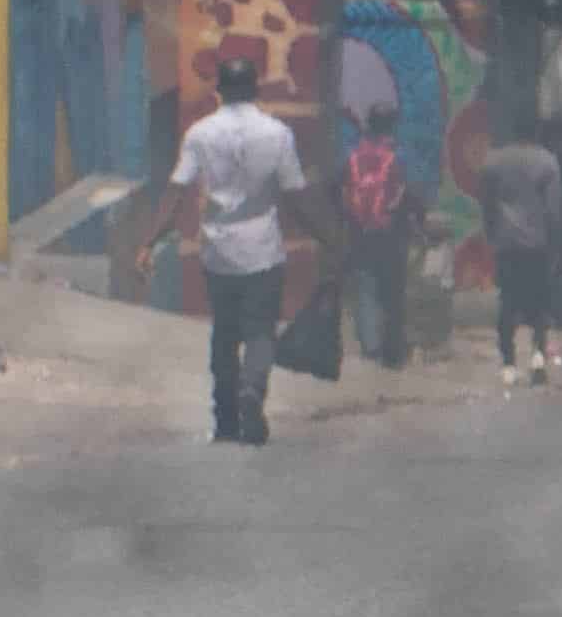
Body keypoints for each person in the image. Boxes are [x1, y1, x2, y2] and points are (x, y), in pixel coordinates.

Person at [153, 53, 305, 447]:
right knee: (260, 330)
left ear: (219, 91)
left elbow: (176, 189)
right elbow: (297, 196)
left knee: (224, 333)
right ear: (255, 89)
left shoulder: (200, 133)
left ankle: (224, 421)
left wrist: (149, 239)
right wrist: (329, 238)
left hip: (218, 251)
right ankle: (252, 388)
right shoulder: (277, 134)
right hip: (263, 250)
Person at [479, 125, 562, 370]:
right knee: (539, 302)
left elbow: (487, 204)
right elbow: (553, 211)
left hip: (506, 243)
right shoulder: (547, 162)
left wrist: (491, 234)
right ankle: (538, 355)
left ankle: (508, 362)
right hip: (537, 244)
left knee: (507, 301)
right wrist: (555, 245)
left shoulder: (494, 162)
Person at [337, 111, 414, 368]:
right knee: (393, 290)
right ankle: (393, 350)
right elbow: (406, 194)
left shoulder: (353, 155)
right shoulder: (398, 157)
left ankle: (370, 346)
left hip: (360, 230)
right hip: (390, 232)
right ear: (391, 126)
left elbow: (340, 189)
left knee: (365, 286)